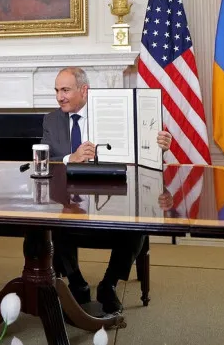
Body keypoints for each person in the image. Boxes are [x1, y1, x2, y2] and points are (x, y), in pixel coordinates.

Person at [41, 67, 172, 314]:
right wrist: (72, 157)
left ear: (84, 90)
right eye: (57, 91)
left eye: (65, 90)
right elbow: (47, 158)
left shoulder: (114, 114)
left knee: (137, 227)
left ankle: (108, 286)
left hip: (113, 193)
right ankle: (77, 284)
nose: (60, 97)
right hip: (70, 196)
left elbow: (140, 152)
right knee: (56, 223)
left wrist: (160, 148)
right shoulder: (51, 120)